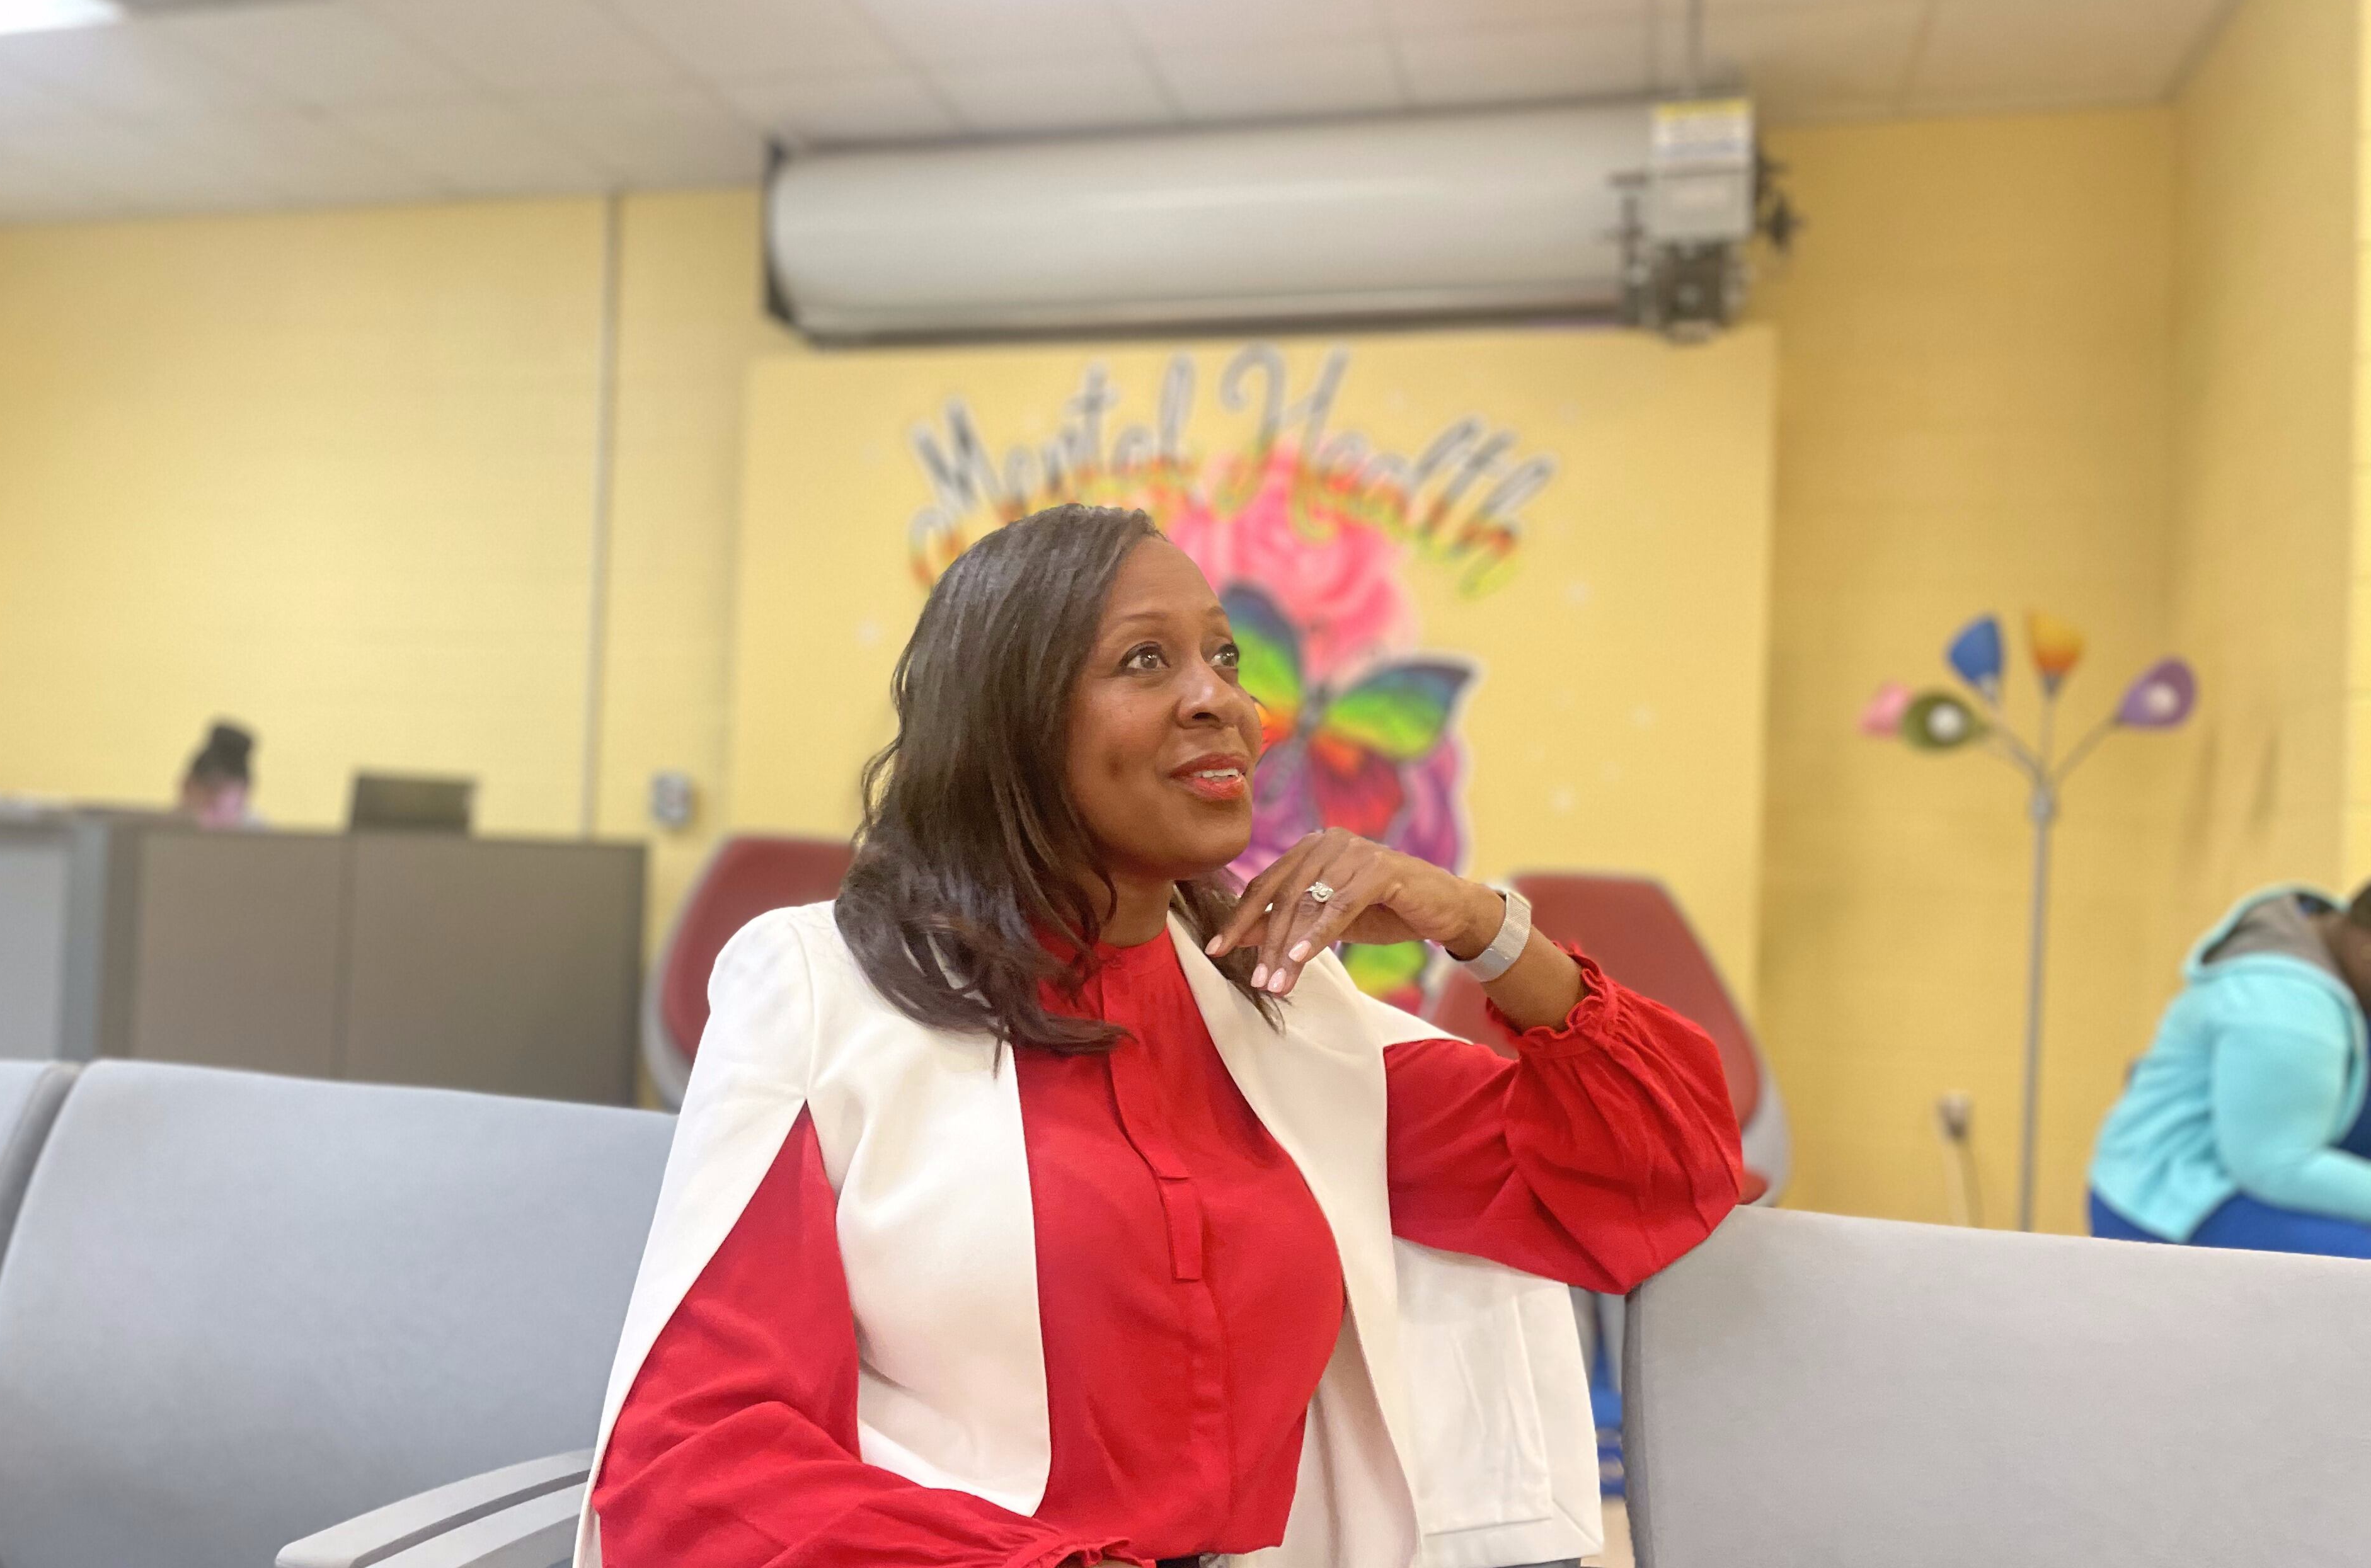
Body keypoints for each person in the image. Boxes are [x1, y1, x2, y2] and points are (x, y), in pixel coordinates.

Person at [578, 504, 1743, 1568]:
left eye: (1224, 658)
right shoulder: (822, 990)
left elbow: (1655, 1174)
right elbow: (694, 1465)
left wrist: (1480, 926)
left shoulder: (1282, 1005)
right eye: (1146, 660)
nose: (1221, 701)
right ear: (1008, 718)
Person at [2089, 883, 2371, 1258]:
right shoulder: (2284, 1010)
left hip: (2259, 1173)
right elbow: (2278, 1165)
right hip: (2177, 1195)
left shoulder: (2330, 937)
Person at [177, 720, 258, 830]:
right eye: (207, 785)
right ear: (187, 786)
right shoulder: (163, 829)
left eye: (222, 789)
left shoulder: (259, 834)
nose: (213, 796)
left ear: (244, 793)